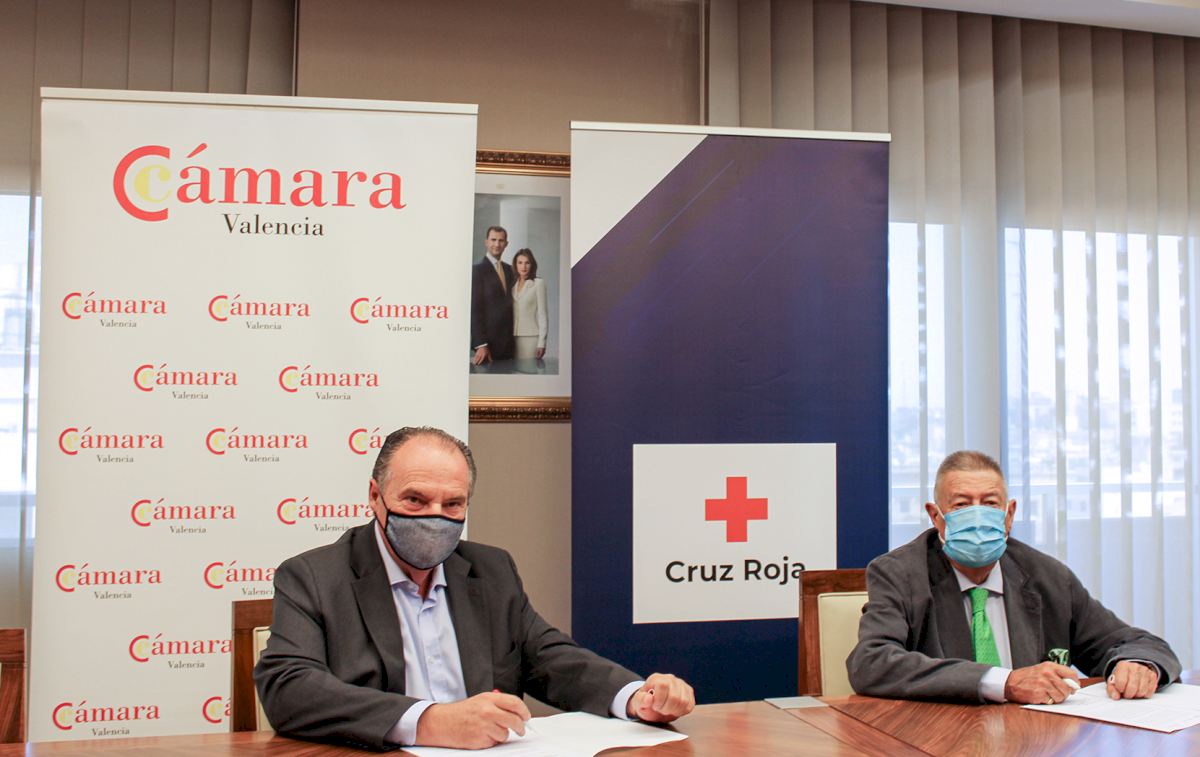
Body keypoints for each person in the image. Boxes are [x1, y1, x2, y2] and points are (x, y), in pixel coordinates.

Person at [255, 426, 695, 750]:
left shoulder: (491, 570)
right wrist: (429, 721)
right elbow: (289, 688)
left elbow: (549, 657)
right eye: (414, 500)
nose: (434, 516)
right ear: (375, 495)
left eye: (452, 504)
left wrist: (635, 697)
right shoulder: (314, 576)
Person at [847, 450, 1180, 705]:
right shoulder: (900, 574)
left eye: (990, 503)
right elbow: (871, 663)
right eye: (962, 505)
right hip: (939, 739)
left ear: (1009, 515)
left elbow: (1136, 643)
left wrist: (1138, 665)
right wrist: (1003, 683)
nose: (978, 515)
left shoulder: (1047, 576)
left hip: (1035, 740)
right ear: (936, 516)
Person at [471, 226, 515, 364]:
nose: (497, 244)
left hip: (509, 345)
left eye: (501, 241)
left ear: (506, 244)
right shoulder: (477, 270)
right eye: (493, 240)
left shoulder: (509, 270)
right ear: (486, 242)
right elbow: (475, 309)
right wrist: (481, 344)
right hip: (488, 346)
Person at [511, 248, 548, 360]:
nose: (523, 266)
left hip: (530, 337)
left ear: (532, 265)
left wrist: (542, 343)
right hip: (511, 337)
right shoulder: (512, 284)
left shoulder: (538, 283)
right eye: (520, 262)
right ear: (515, 265)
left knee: (529, 369)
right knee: (512, 369)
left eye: (527, 263)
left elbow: (542, 315)